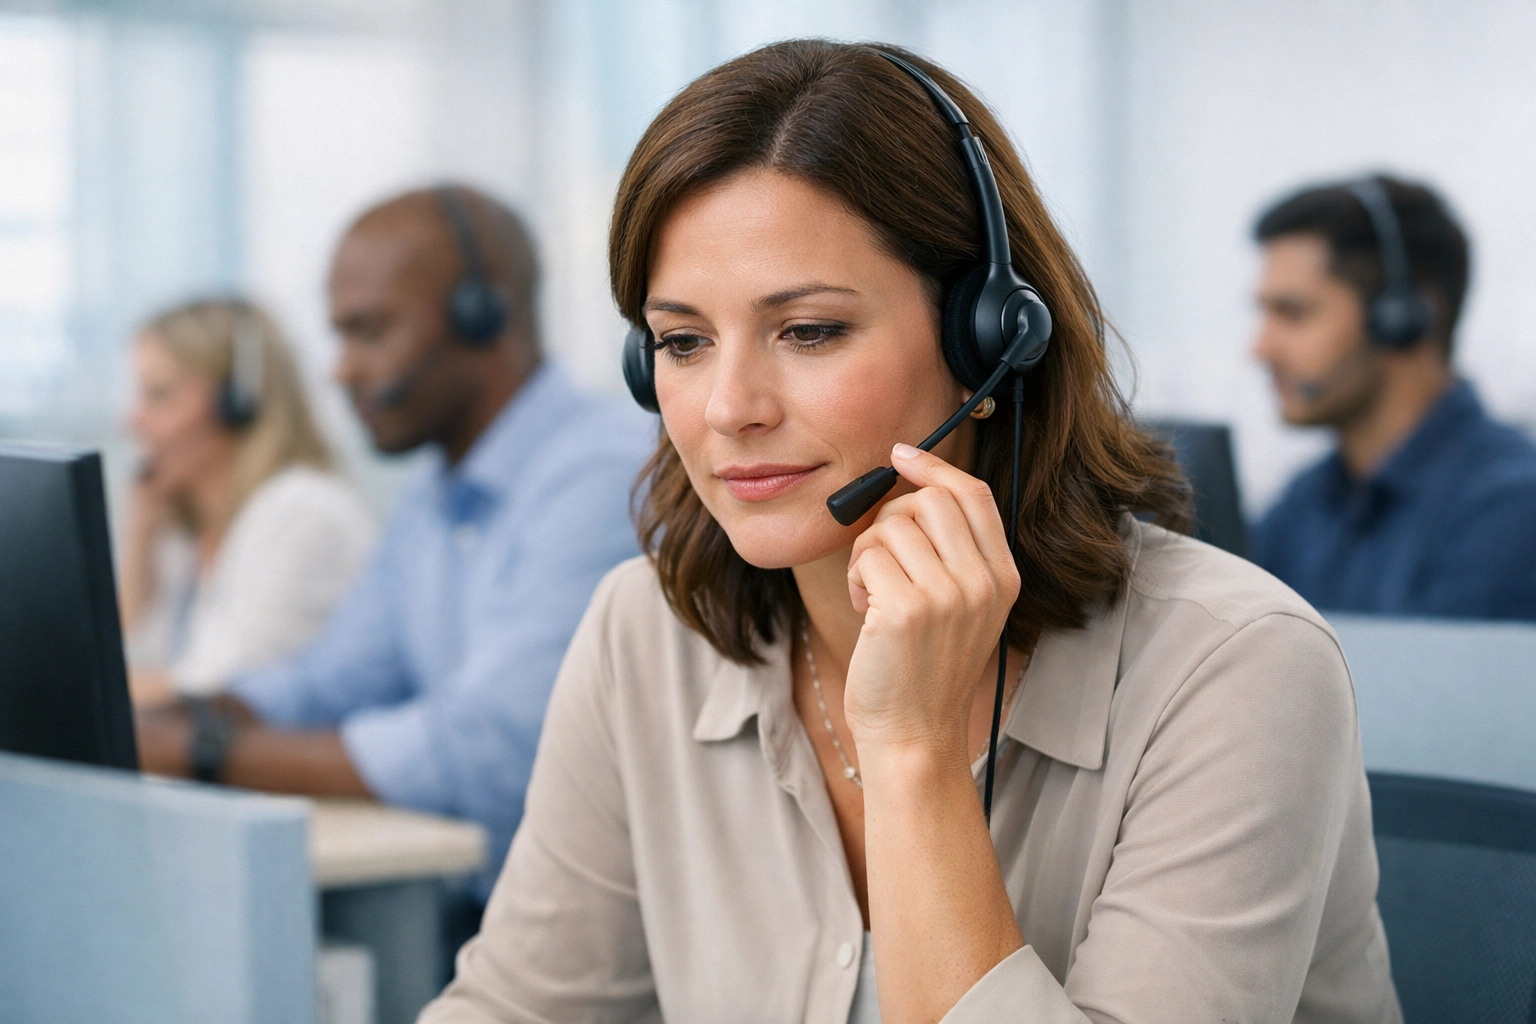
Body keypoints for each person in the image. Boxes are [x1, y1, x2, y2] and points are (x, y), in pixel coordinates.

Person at [423, 42, 1400, 1023]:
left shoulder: (1233, 668)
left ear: (990, 338)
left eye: (808, 330)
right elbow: (513, 1005)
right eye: (682, 341)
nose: (728, 408)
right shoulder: (645, 633)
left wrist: (914, 756)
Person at [134, 186, 653, 902]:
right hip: (479, 911)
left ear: (485, 315)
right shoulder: (436, 492)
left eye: (369, 332)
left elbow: (495, 753)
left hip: (596, 948)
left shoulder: (599, 474)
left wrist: (199, 750)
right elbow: (331, 680)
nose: (341, 368)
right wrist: (181, 717)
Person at [1250, 174, 1536, 619]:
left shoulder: (1513, 509)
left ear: (1403, 317)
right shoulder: (1305, 504)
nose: (1261, 348)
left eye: (1293, 314)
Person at [121, 298, 374, 705]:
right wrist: (141, 533)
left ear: (237, 404)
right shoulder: (188, 527)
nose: (133, 419)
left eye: (160, 395)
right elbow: (127, 658)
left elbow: (214, 692)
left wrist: (63, 693)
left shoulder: (305, 514)